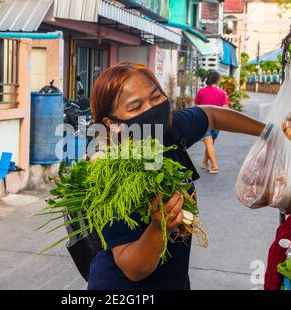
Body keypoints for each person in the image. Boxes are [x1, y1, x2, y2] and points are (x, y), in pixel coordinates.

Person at [86, 62, 264, 290]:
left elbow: (210, 115)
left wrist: (268, 132)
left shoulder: (168, 130)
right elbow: (132, 268)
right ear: (111, 123)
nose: (151, 109)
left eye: (155, 96)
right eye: (135, 107)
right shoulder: (109, 173)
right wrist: (159, 226)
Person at [194, 70, 229, 174]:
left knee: (208, 143)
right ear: (217, 80)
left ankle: (214, 166)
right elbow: (225, 108)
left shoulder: (201, 91)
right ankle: (205, 162)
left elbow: (197, 107)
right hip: (217, 122)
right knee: (210, 143)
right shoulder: (222, 93)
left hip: (205, 120)